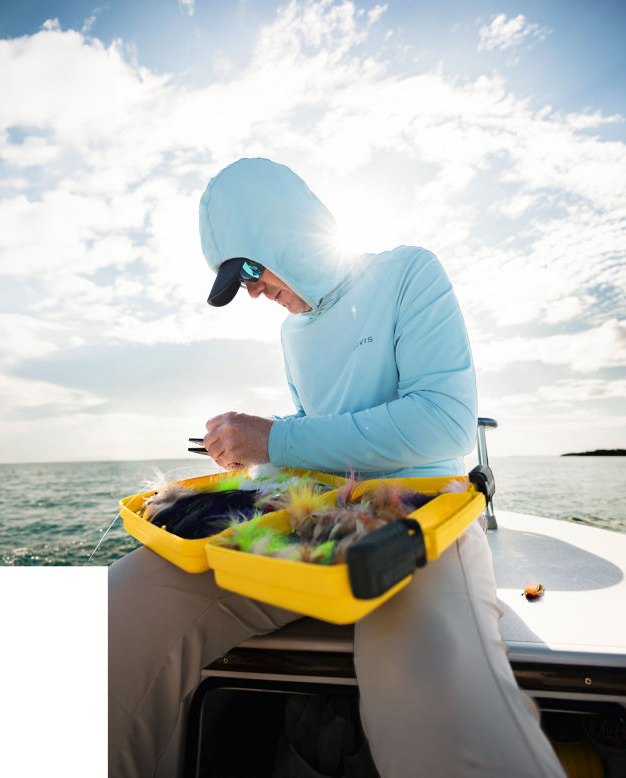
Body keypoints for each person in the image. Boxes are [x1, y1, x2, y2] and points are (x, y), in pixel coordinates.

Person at [108, 158, 566, 777]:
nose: (252, 291)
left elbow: (447, 421)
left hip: (422, 520)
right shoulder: (292, 336)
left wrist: (276, 438)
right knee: (120, 618)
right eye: (236, 284)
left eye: (250, 269)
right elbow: (307, 439)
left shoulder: (409, 272)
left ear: (289, 232)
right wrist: (255, 452)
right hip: (317, 519)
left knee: (428, 704)